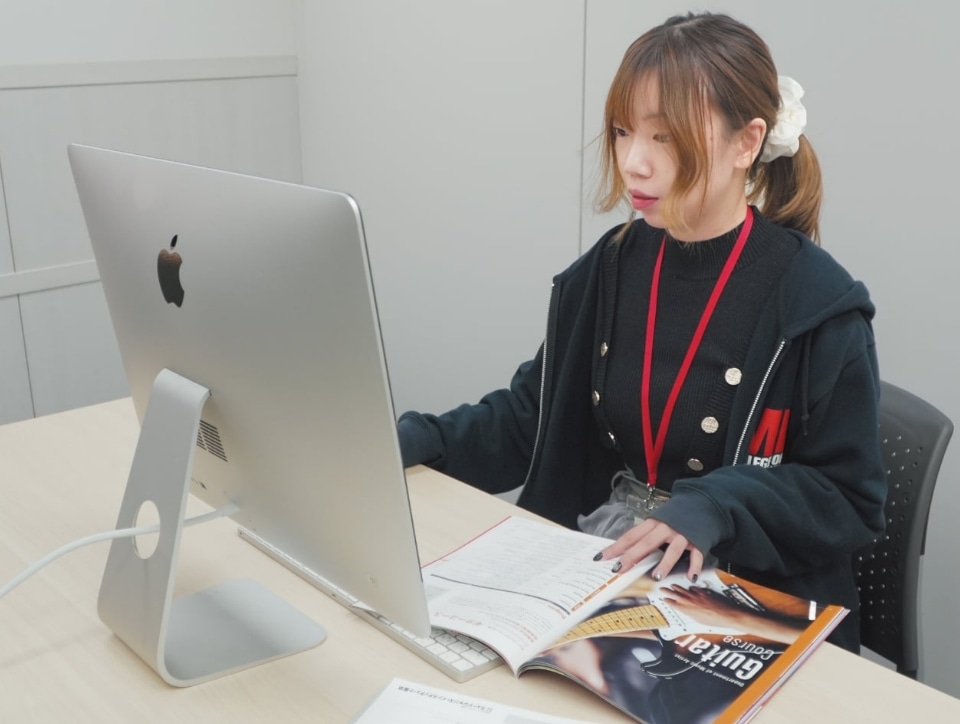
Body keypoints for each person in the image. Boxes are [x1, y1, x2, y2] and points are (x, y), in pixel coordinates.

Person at [397, 11, 886, 652]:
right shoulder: (612, 265)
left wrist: (716, 506)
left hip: (744, 598)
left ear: (746, 143)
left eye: (666, 137)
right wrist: (408, 441)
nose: (634, 163)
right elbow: (531, 418)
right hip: (609, 567)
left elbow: (848, 498)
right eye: (623, 131)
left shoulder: (817, 305)